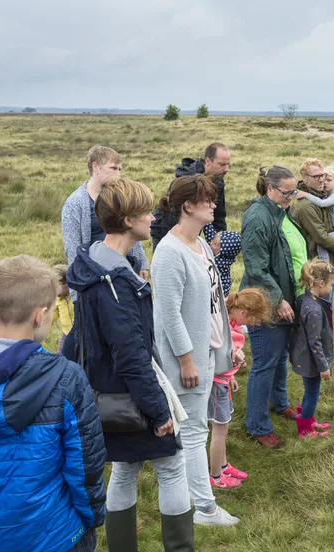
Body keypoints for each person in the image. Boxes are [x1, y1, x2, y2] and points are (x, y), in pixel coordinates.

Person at [0, 255, 106, 552]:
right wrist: (92, 517)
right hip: (60, 537)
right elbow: (85, 465)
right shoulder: (67, 378)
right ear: (40, 316)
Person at [66, 176, 194, 549]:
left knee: (124, 469)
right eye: (145, 211)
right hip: (129, 394)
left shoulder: (93, 264)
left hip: (107, 393)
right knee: (171, 467)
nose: (153, 216)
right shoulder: (113, 282)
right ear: (127, 221)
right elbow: (130, 354)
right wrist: (158, 411)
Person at [151, 174, 239, 527]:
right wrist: (187, 359)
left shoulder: (201, 244)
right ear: (188, 206)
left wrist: (228, 345)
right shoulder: (169, 252)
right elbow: (168, 313)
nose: (214, 205)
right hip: (186, 361)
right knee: (192, 432)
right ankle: (204, 508)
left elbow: (214, 302)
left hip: (208, 352)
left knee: (195, 429)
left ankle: (193, 498)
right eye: (207, 200)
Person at [60, 145, 149, 360]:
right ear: (95, 167)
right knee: (83, 335)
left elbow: (129, 229)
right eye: (113, 168)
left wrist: (142, 262)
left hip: (124, 272)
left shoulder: (118, 197)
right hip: (94, 280)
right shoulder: (75, 204)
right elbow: (73, 252)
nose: (119, 173)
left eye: (121, 168)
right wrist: (76, 296)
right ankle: (68, 368)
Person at [240, 165, 306, 448]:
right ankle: (257, 425)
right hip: (264, 304)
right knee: (265, 363)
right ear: (269, 189)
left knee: (279, 357)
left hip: (281, 300)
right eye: (285, 192)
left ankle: (280, 403)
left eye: (293, 192)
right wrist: (278, 300)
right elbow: (256, 267)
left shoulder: (278, 211)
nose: (290, 197)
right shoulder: (257, 217)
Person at [207, 288, 273, 488]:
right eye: (252, 320)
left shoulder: (229, 322)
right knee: (220, 429)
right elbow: (220, 351)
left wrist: (231, 375)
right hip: (216, 384)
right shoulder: (224, 327)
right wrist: (234, 357)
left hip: (223, 381)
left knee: (223, 427)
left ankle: (224, 465)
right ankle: (216, 476)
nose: (250, 324)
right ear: (244, 313)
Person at [151, 143, 232, 252]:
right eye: (222, 164)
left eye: (228, 165)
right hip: (166, 232)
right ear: (207, 161)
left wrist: (220, 242)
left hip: (191, 235)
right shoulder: (186, 182)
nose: (226, 169)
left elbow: (219, 216)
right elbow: (171, 216)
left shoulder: (217, 180)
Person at [290, 260, 334, 438]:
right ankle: (305, 430)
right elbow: (315, 342)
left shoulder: (305, 299)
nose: (331, 288)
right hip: (311, 361)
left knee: (309, 390)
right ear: (321, 283)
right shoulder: (314, 310)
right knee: (312, 393)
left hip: (305, 357)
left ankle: (308, 420)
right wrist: (324, 367)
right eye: (331, 284)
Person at [296, 165, 334, 276]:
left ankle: (326, 268)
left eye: (328, 180)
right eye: (324, 179)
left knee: (322, 244)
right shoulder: (326, 196)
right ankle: (331, 267)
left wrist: (306, 194)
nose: (324, 182)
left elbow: (322, 204)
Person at [289, 158, 334, 272]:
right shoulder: (305, 206)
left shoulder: (322, 197)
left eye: (323, 175)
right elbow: (321, 237)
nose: (322, 179)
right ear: (305, 178)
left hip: (326, 263)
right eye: (317, 176)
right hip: (315, 267)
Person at [207, 230, 242, 298]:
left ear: (223, 250)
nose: (211, 243)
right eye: (213, 240)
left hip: (219, 295)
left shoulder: (220, 263)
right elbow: (210, 236)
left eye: (215, 243)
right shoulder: (223, 255)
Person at [52, 264, 74, 353]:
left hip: (80, 334)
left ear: (67, 283)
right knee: (61, 355)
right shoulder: (57, 300)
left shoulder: (75, 297)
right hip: (66, 333)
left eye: (57, 286)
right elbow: (54, 316)